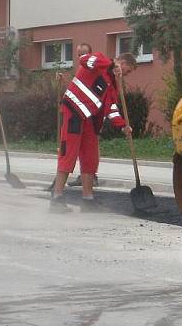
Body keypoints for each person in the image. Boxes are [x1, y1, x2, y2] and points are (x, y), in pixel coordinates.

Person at [50, 51, 136, 213]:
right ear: (122, 63)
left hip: (90, 120)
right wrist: (111, 64)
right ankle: (57, 198)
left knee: (91, 158)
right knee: (68, 154)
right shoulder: (100, 60)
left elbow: (111, 108)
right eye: (128, 70)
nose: (126, 74)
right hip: (73, 112)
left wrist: (123, 125)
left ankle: (87, 200)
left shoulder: (114, 84)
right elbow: (83, 60)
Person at [64, 43, 99, 189]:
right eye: (79, 54)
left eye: (84, 53)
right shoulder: (80, 69)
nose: (81, 57)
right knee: (78, 148)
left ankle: (92, 176)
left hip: (91, 114)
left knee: (90, 149)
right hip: (78, 113)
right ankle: (84, 176)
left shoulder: (93, 69)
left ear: (90, 54)